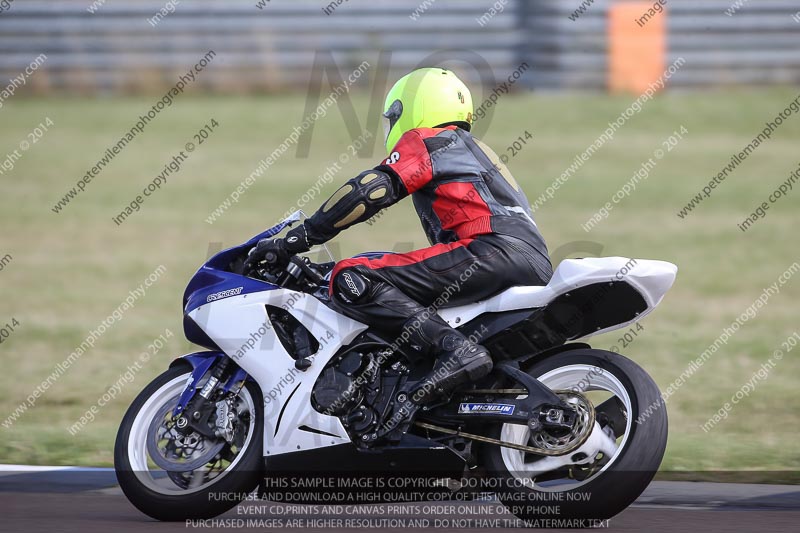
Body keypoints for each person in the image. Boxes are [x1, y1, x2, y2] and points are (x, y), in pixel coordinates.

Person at [245, 67, 552, 414]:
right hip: (530, 260)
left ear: (411, 108)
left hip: (489, 249)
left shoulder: (431, 140)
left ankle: (456, 350)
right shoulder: (474, 150)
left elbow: (371, 190)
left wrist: (304, 235)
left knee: (352, 275)